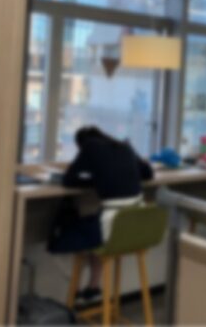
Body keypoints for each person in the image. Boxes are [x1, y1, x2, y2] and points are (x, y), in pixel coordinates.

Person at [48, 126, 154, 304]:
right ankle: (93, 286)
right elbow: (148, 174)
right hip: (135, 225)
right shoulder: (124, 146)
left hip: (112, 226)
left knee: (64, 233)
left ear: (81, 144)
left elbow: (68, 180)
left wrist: (95, 180)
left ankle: (73, 288)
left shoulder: (90, 146)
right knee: (94, 227)